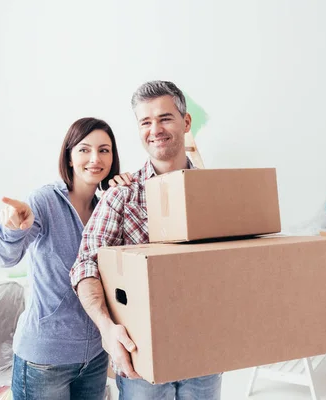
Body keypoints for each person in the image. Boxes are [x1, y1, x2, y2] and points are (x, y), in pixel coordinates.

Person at [70, 81, 222, 399]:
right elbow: (85, 265)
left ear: (186, 121)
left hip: (205, 352)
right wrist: (106, 328)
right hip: (141, 359)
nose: (155, 129)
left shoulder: (213, 193)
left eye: (165, 118)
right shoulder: (121, 196)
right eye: (145, 122)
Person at [0, 117, 129, 400]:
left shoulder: (108, 208)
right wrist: (13, 229)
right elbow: (4, 258)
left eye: (104, 150)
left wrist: (124, 195)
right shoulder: (44, 201)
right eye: (84, 149)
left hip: (95, 358)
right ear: (68, 156)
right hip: (45, 360)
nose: (95, 158)